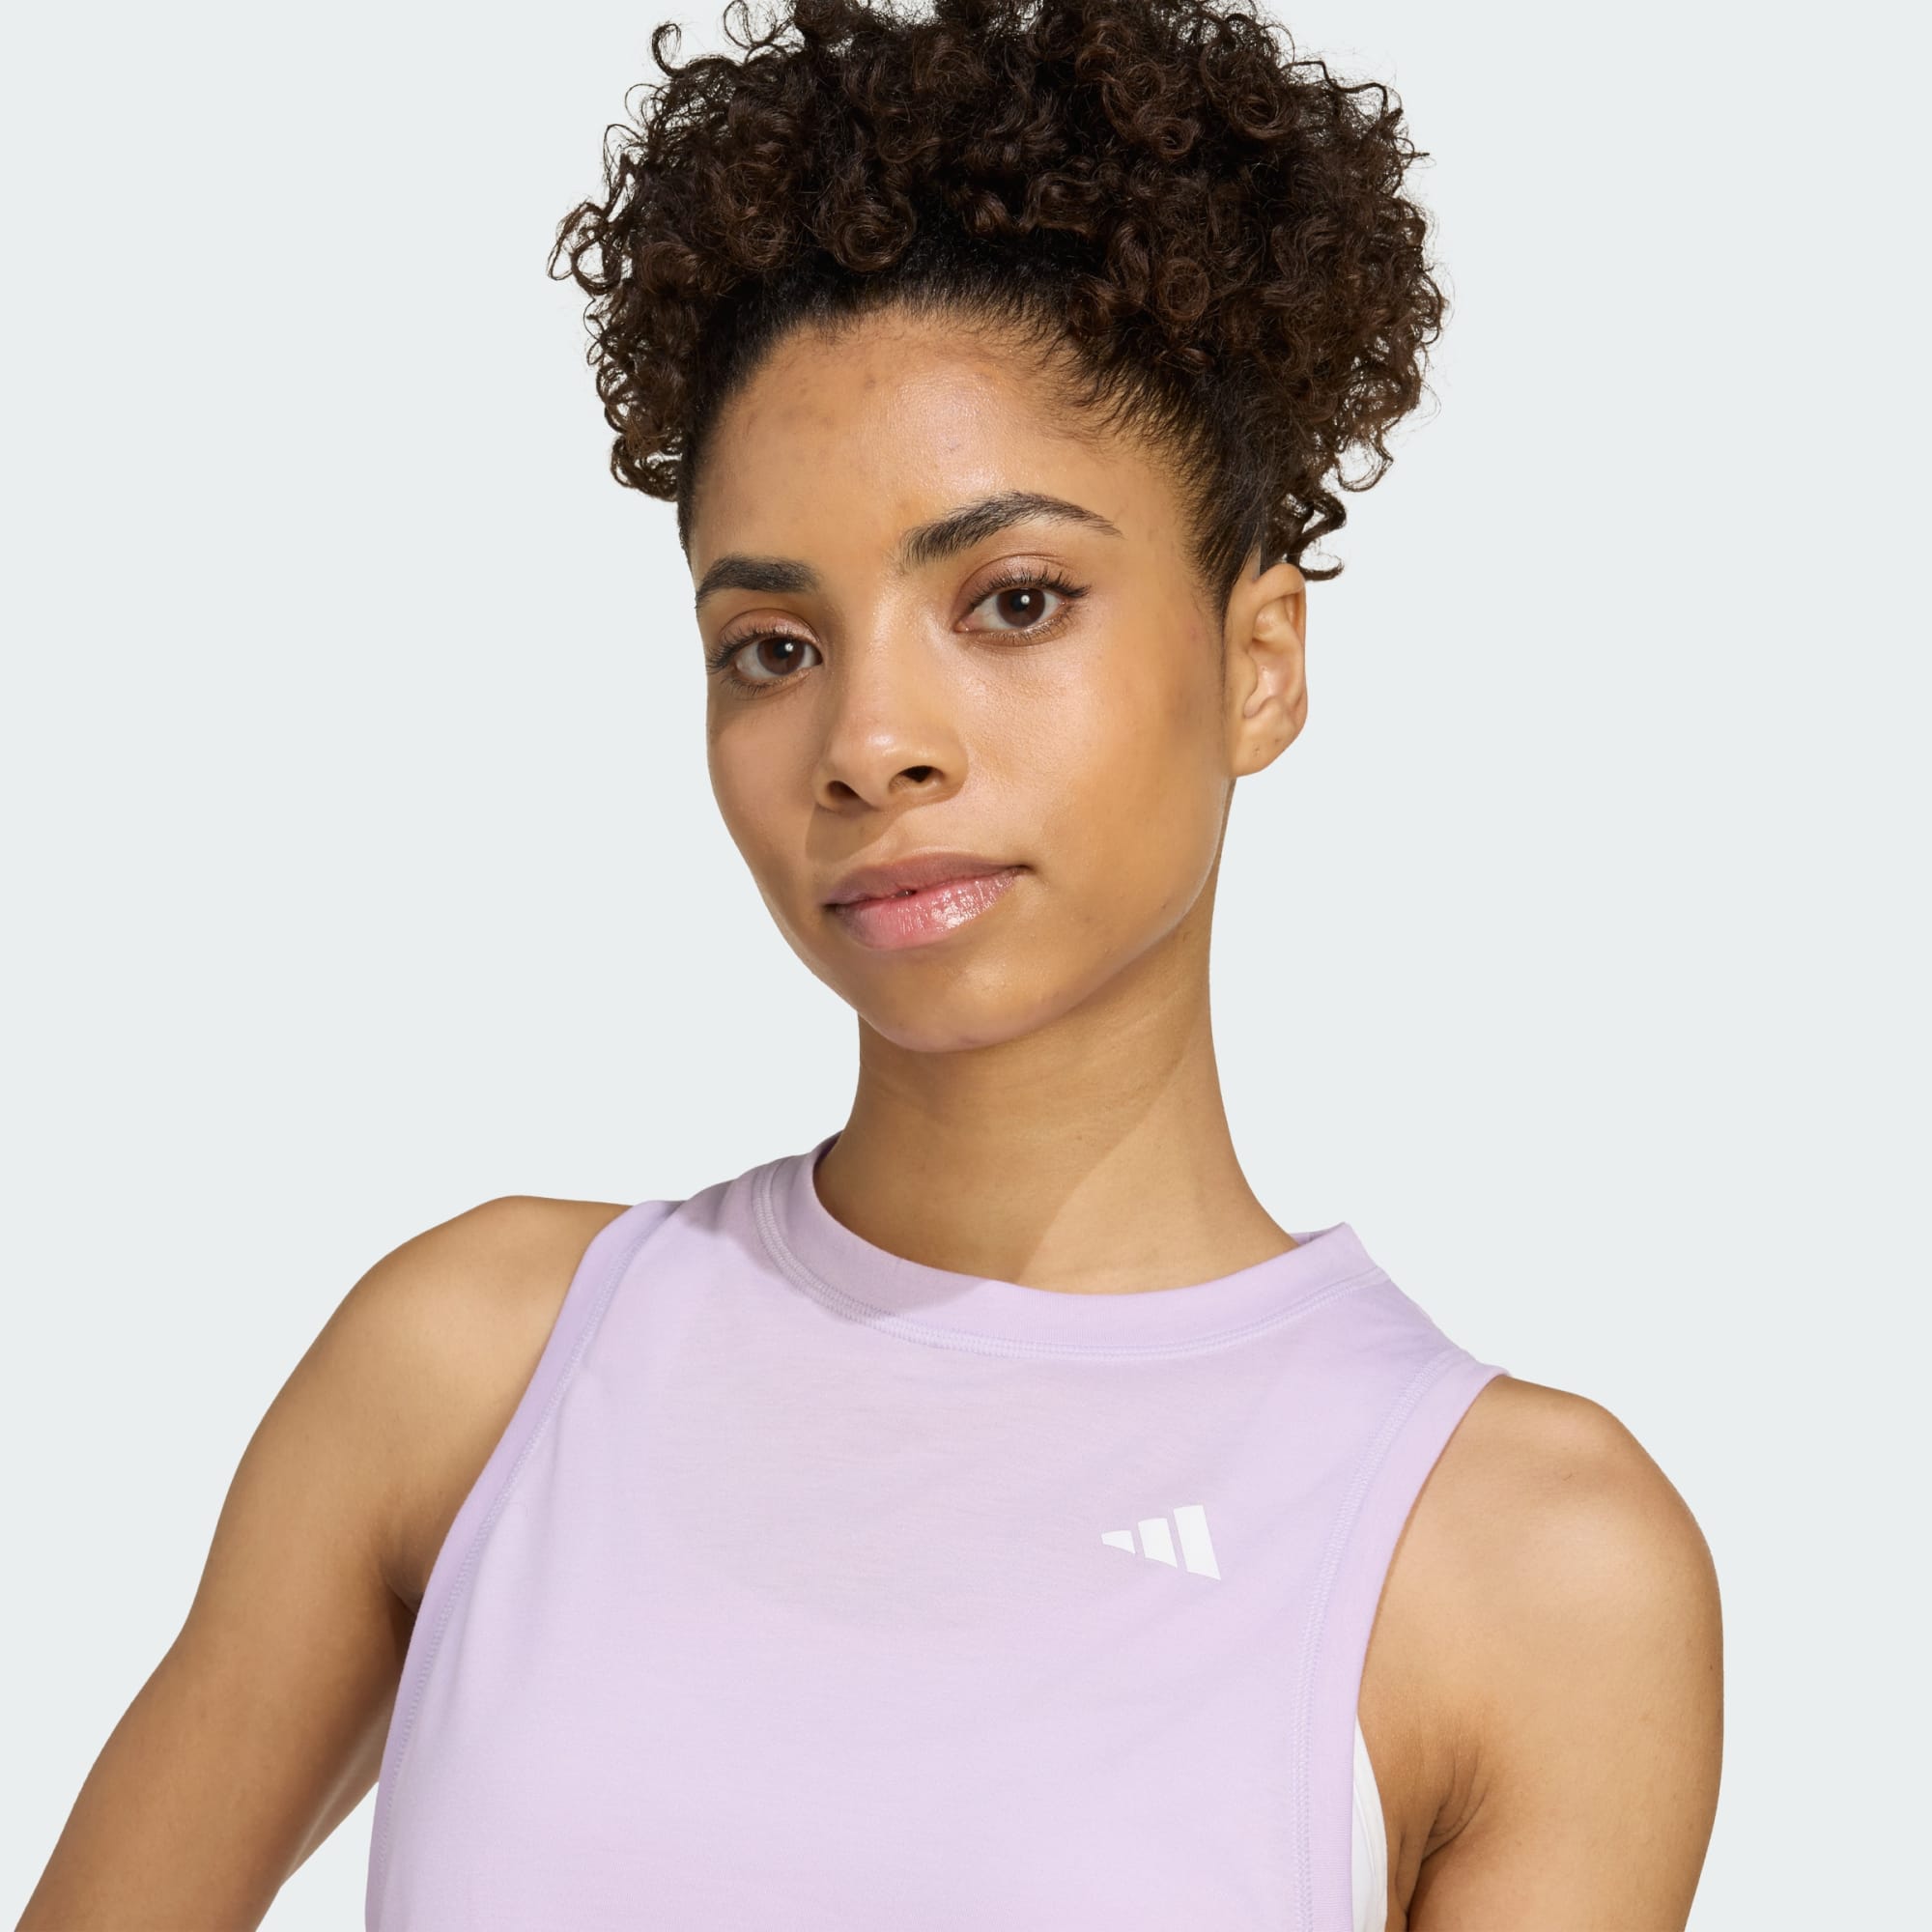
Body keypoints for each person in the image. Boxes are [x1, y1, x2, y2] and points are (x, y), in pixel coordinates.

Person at [17, 0, 1722, 1926]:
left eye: (1013, 600)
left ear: (1261, 663)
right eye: (775, 646)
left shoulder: (1518, 1559)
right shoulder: (478, 1370)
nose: (870, 742)